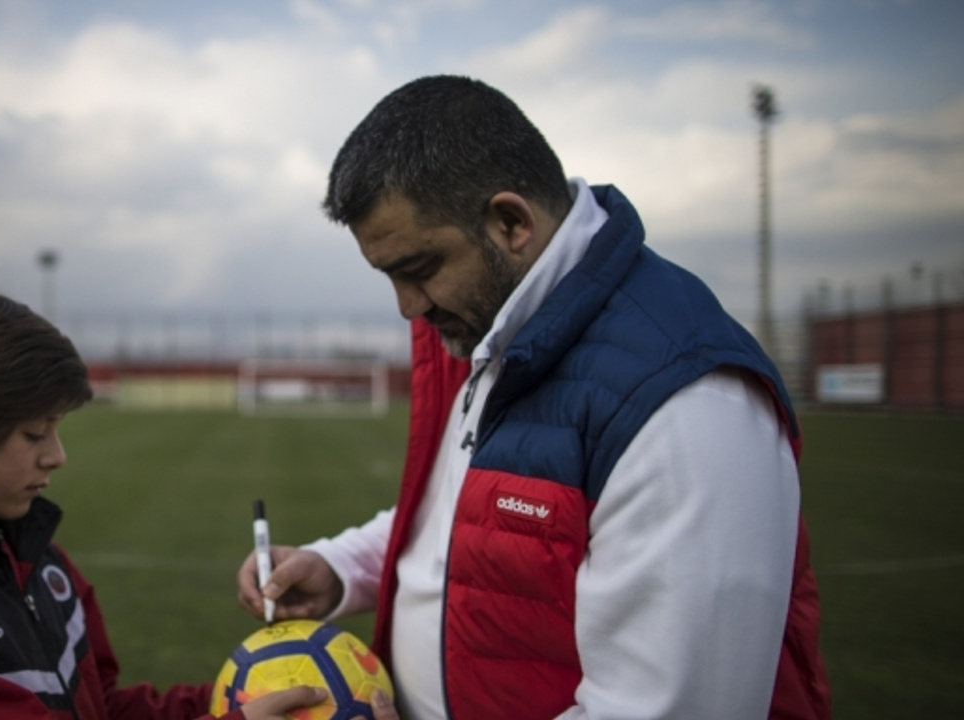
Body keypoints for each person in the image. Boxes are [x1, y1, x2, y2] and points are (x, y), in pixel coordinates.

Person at [238, 76, 831, 720]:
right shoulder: (500, 327)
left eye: (420, 269)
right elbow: (466, 524)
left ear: (511, 221)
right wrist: (340, 565)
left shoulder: (686, 406)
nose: (408, 307)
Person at [0, 279, 329, 720]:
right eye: (35, 434)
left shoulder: (39, 561)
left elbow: (101, 708)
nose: (57, 456)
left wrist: (238, 697)